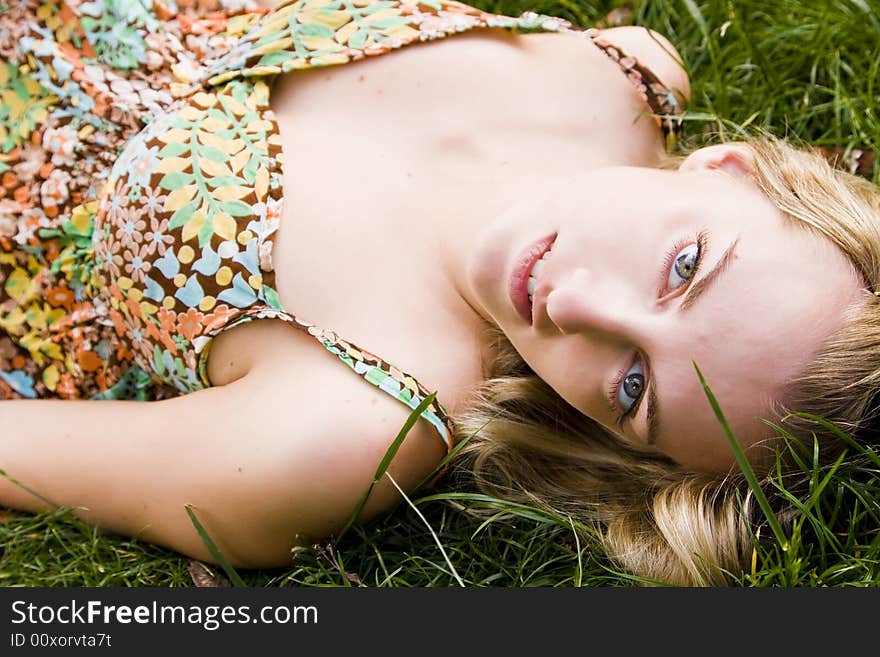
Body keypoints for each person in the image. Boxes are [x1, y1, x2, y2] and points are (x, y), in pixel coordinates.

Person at [1, 0, 878, 587]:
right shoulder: (617, 74)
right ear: (729, 168)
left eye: (633, 387)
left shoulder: (339, 433)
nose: (578, 311)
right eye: (684, 266)